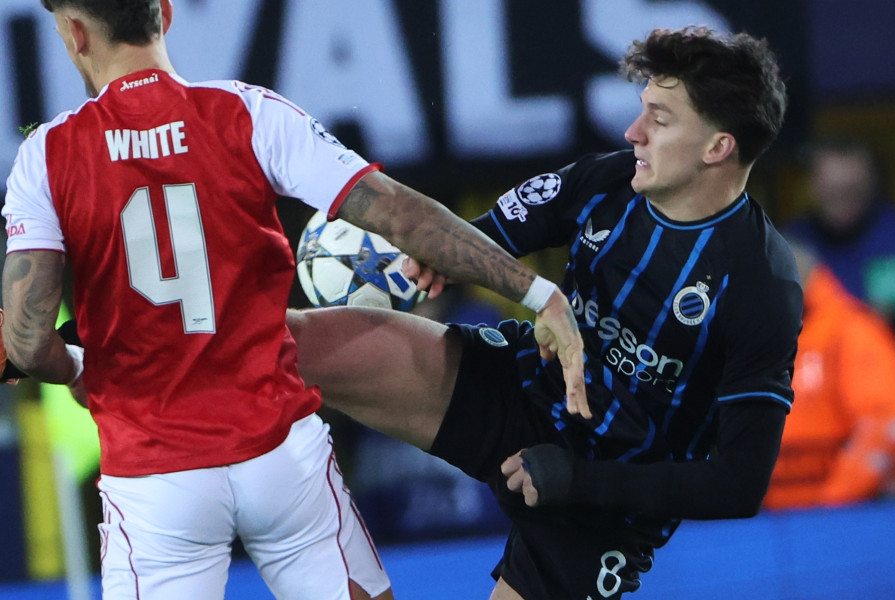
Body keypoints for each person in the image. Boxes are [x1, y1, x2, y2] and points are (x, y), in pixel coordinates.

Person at [0, 1, 583, 599]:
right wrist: (537, 292)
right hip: (281, 458)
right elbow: (400, 213)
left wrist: (78, 369)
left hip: (156, 482)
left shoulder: (47, 155)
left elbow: (26, 340)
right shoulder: (248, 112)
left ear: (75, 34)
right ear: (166, 15)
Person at [287, 25, 802, 600]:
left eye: (658, 120)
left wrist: (578, 480)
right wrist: (425, 259)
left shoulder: (762, 286)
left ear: (717, 148)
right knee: (292, 344)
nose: (633, 132)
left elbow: (739, 485)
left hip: (604, 503)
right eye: (641, 110)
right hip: (522, 387)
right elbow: (482, 239)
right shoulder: (606, 181)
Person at [783, 136, 895, 475]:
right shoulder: (790, 249)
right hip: (818, 444)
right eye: (832, 190)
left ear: (871, 183)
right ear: (812, 186)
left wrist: (891, 322)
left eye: (852, 190)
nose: (842, 200)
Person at [763, 244, 895, 511]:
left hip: (868, 516)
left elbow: (888, 428)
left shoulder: (853, 332)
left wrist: (830, 506)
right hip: (786, 522)